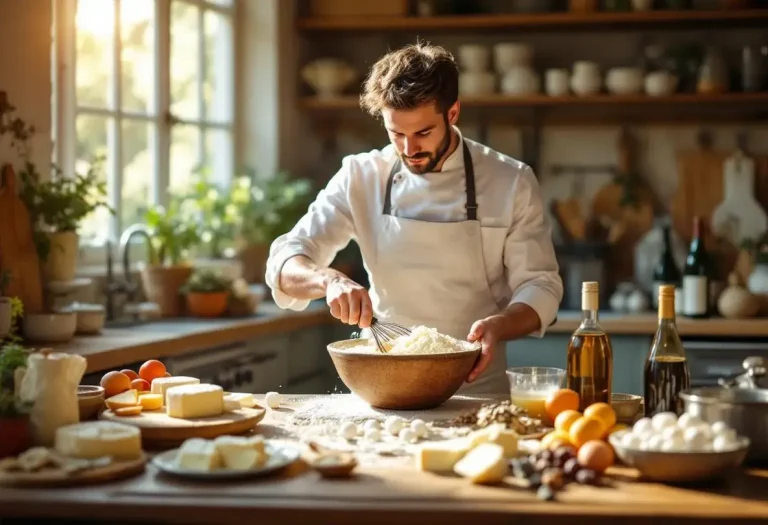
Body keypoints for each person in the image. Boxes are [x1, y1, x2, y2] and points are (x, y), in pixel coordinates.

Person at [265, 42, 563, 395]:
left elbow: (541, 285)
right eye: (396, 134)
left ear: (452, 113)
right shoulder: (361, 176)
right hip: (382, 383)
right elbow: (285, 262)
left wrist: (500, 325)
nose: (409, 150)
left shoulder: (510, 180)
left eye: (422, 133)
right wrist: (329, 281)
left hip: (477, 387)